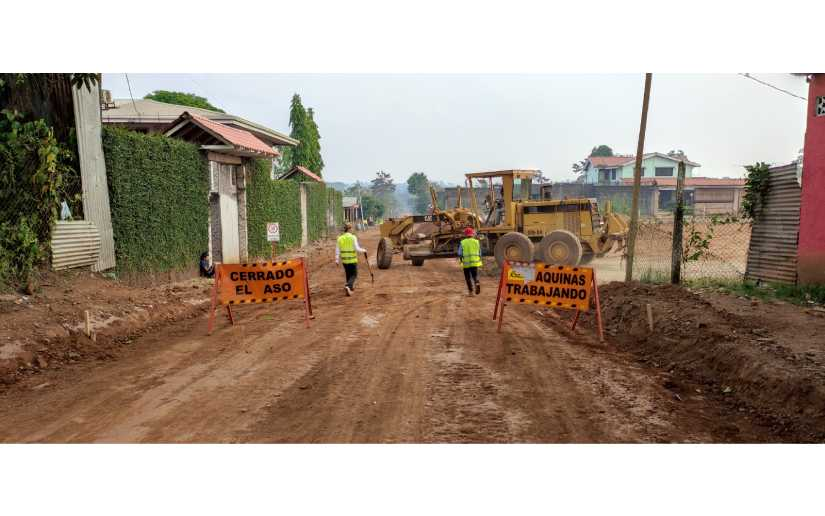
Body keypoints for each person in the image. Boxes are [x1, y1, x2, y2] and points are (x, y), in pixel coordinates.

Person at [335, 222, 367, 296]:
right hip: (352, 260)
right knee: (354, 274)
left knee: (348, 274)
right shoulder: (353, 237)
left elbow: (337, 249)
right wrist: (364, 250)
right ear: (349, 229)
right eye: (351, 228)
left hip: (344, 260)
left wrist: (336, 259)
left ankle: (350, 289)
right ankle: (348, 286)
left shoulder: (340, 238)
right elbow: (357, 248)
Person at [458, 227, 482, 296]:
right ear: (472, 234)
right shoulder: (476, 242)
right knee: (475, 276)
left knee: (468, 278)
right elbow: (480, 253)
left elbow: (459, 253)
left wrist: (461, 260)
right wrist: (479, 259)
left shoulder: (463, 242)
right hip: (475, 262)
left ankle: (471, 292)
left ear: (465, 234)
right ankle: (477, 282)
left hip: (466, 263)